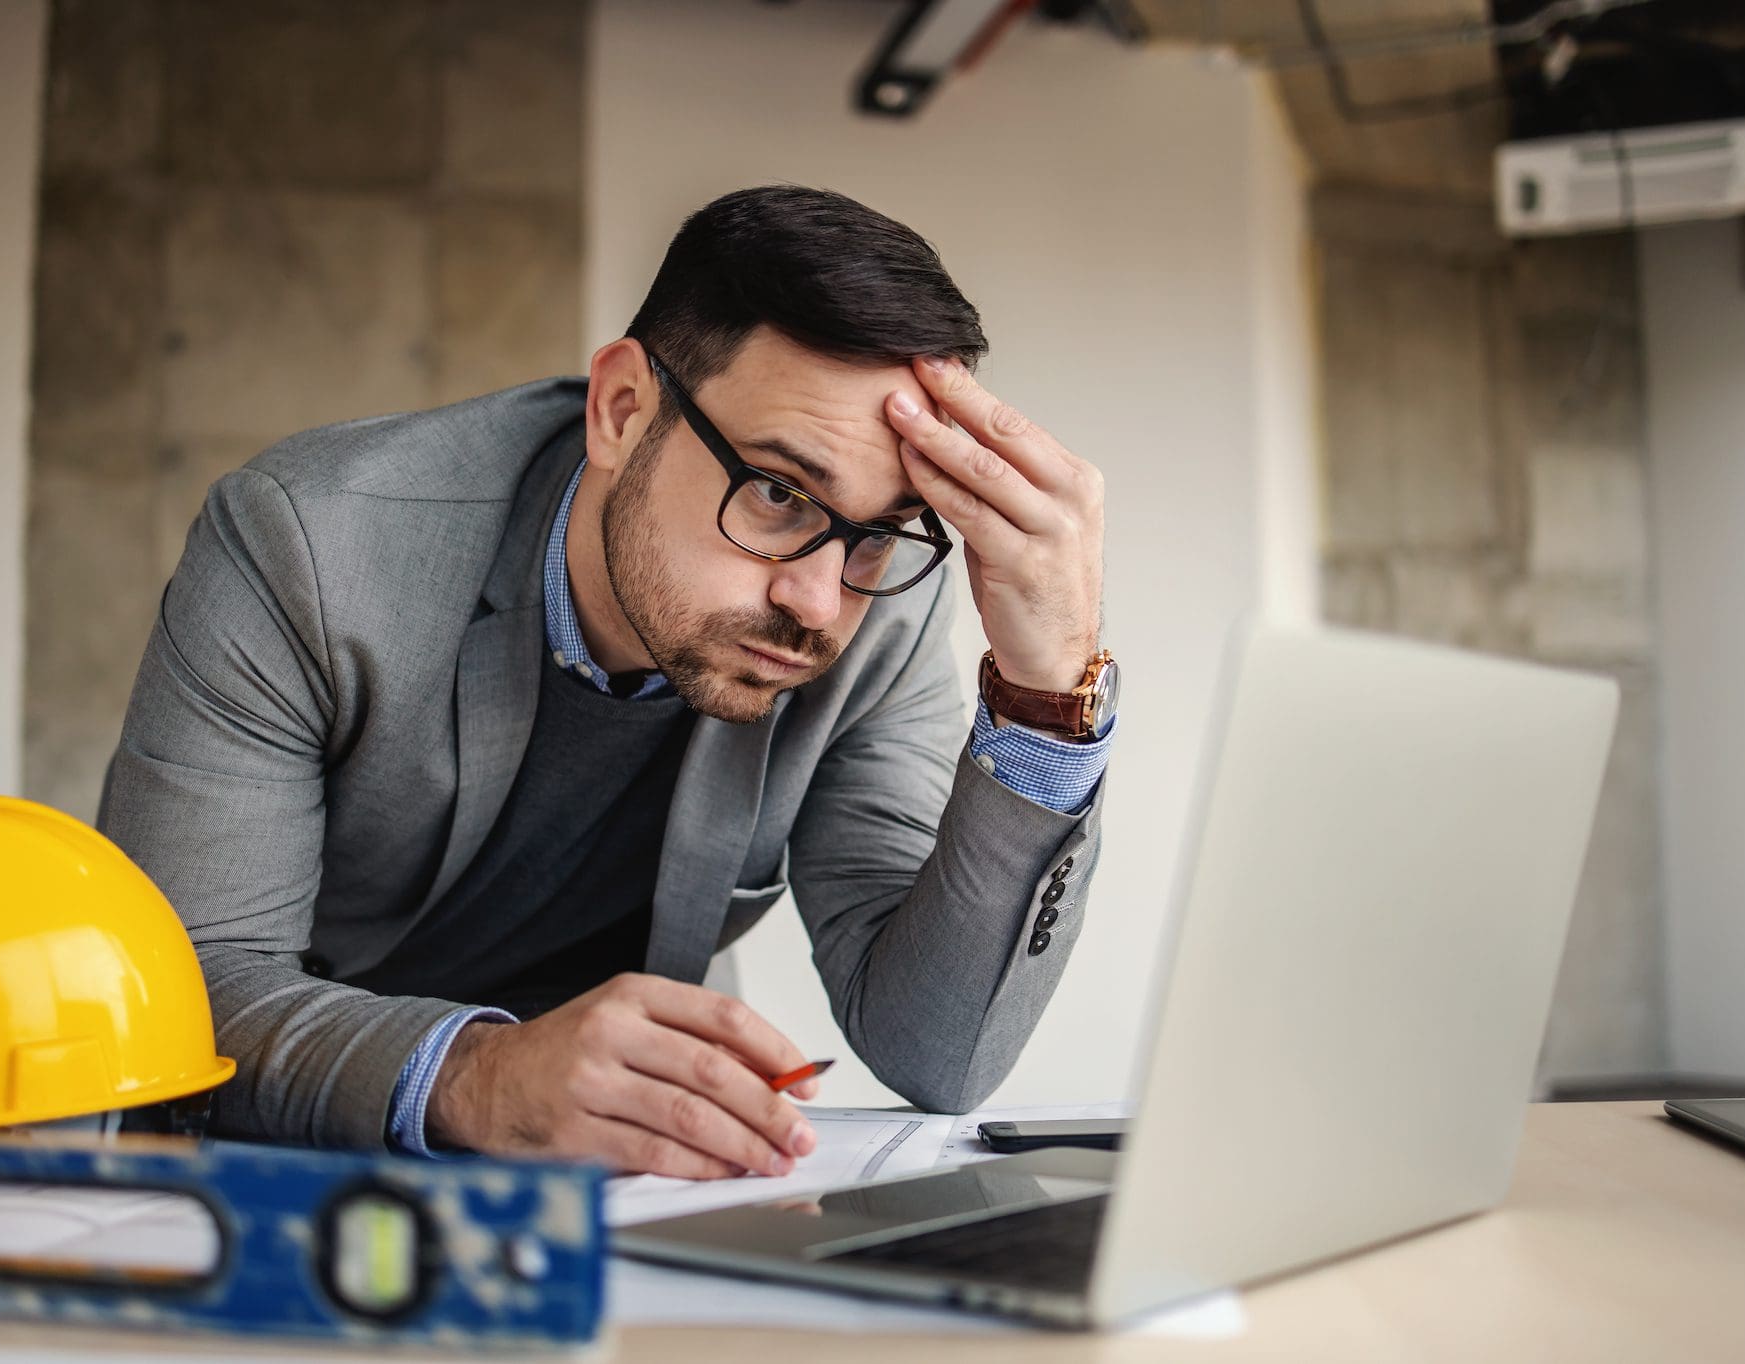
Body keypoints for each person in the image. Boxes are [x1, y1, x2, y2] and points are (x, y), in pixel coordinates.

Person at [98, 185, 1115, 1181]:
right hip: (297, 1172)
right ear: (623, 410)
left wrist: (1046, 698)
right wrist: (481, 1075)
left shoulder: (874, 604)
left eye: (880, 531)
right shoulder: (309, 544)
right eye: (776, 492)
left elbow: (938, 1050)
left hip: (624, 1191)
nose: (817, 601)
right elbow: (183, 992)